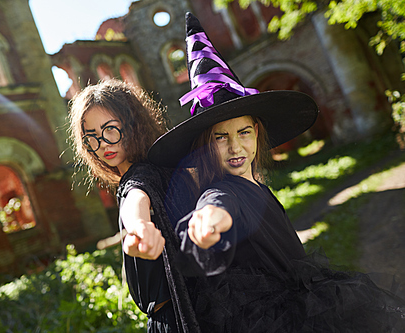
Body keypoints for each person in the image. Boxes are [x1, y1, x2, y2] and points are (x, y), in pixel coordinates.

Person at [148, 12, 405, 332]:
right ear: (205, 145)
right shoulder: (222, 191)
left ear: (257, 133)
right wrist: (207, 221)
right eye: (220, 137)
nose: (235, 147)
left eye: (243, 133)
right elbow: (217, 207)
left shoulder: (255, 183)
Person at [68, 79, 200, 332]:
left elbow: (136, 197)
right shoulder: (161, 169)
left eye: (110, 129)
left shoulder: (139, 177)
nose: (103, 143)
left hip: (174, 319)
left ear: (133, 124)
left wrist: (138, 227)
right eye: (91, 137)